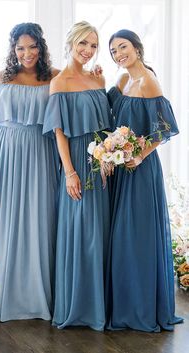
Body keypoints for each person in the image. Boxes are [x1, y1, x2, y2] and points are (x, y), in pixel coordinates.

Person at [0, 22, 60, 321]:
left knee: (39, 218)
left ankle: (36, 296)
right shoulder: (3, 77)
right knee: (4, 219)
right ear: (14, 49)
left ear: (41, 47)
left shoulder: (54, 77)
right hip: (5, 151)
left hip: (39, 150)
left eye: (32, 46)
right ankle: (2, 296)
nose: (27, 53)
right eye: (21, 47)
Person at [105, 29, 183, 332]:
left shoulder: (149, 81)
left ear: (136, 47)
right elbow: (108, 110)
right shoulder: (123, 80)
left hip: (141, 170)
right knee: (121, 237)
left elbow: (165, 128)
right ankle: (123, 304)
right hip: (120, 169)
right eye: (113, 51)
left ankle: (140, 309)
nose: (118, 54)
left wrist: (140, 154)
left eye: (122, 47)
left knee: (136, 238)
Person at [43, 21, 112, 331]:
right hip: (76, 164)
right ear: (70, 43)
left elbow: (106, 127)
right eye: (83, 43)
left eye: (94, 46)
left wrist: (109, 158)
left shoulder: (98, 80)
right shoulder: (60, 82)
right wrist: (69, 172)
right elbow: (58, 132)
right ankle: (79, 306)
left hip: (101, 163)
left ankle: (100, 306)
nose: (88, 50)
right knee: (80, 233)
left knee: (100, 233)